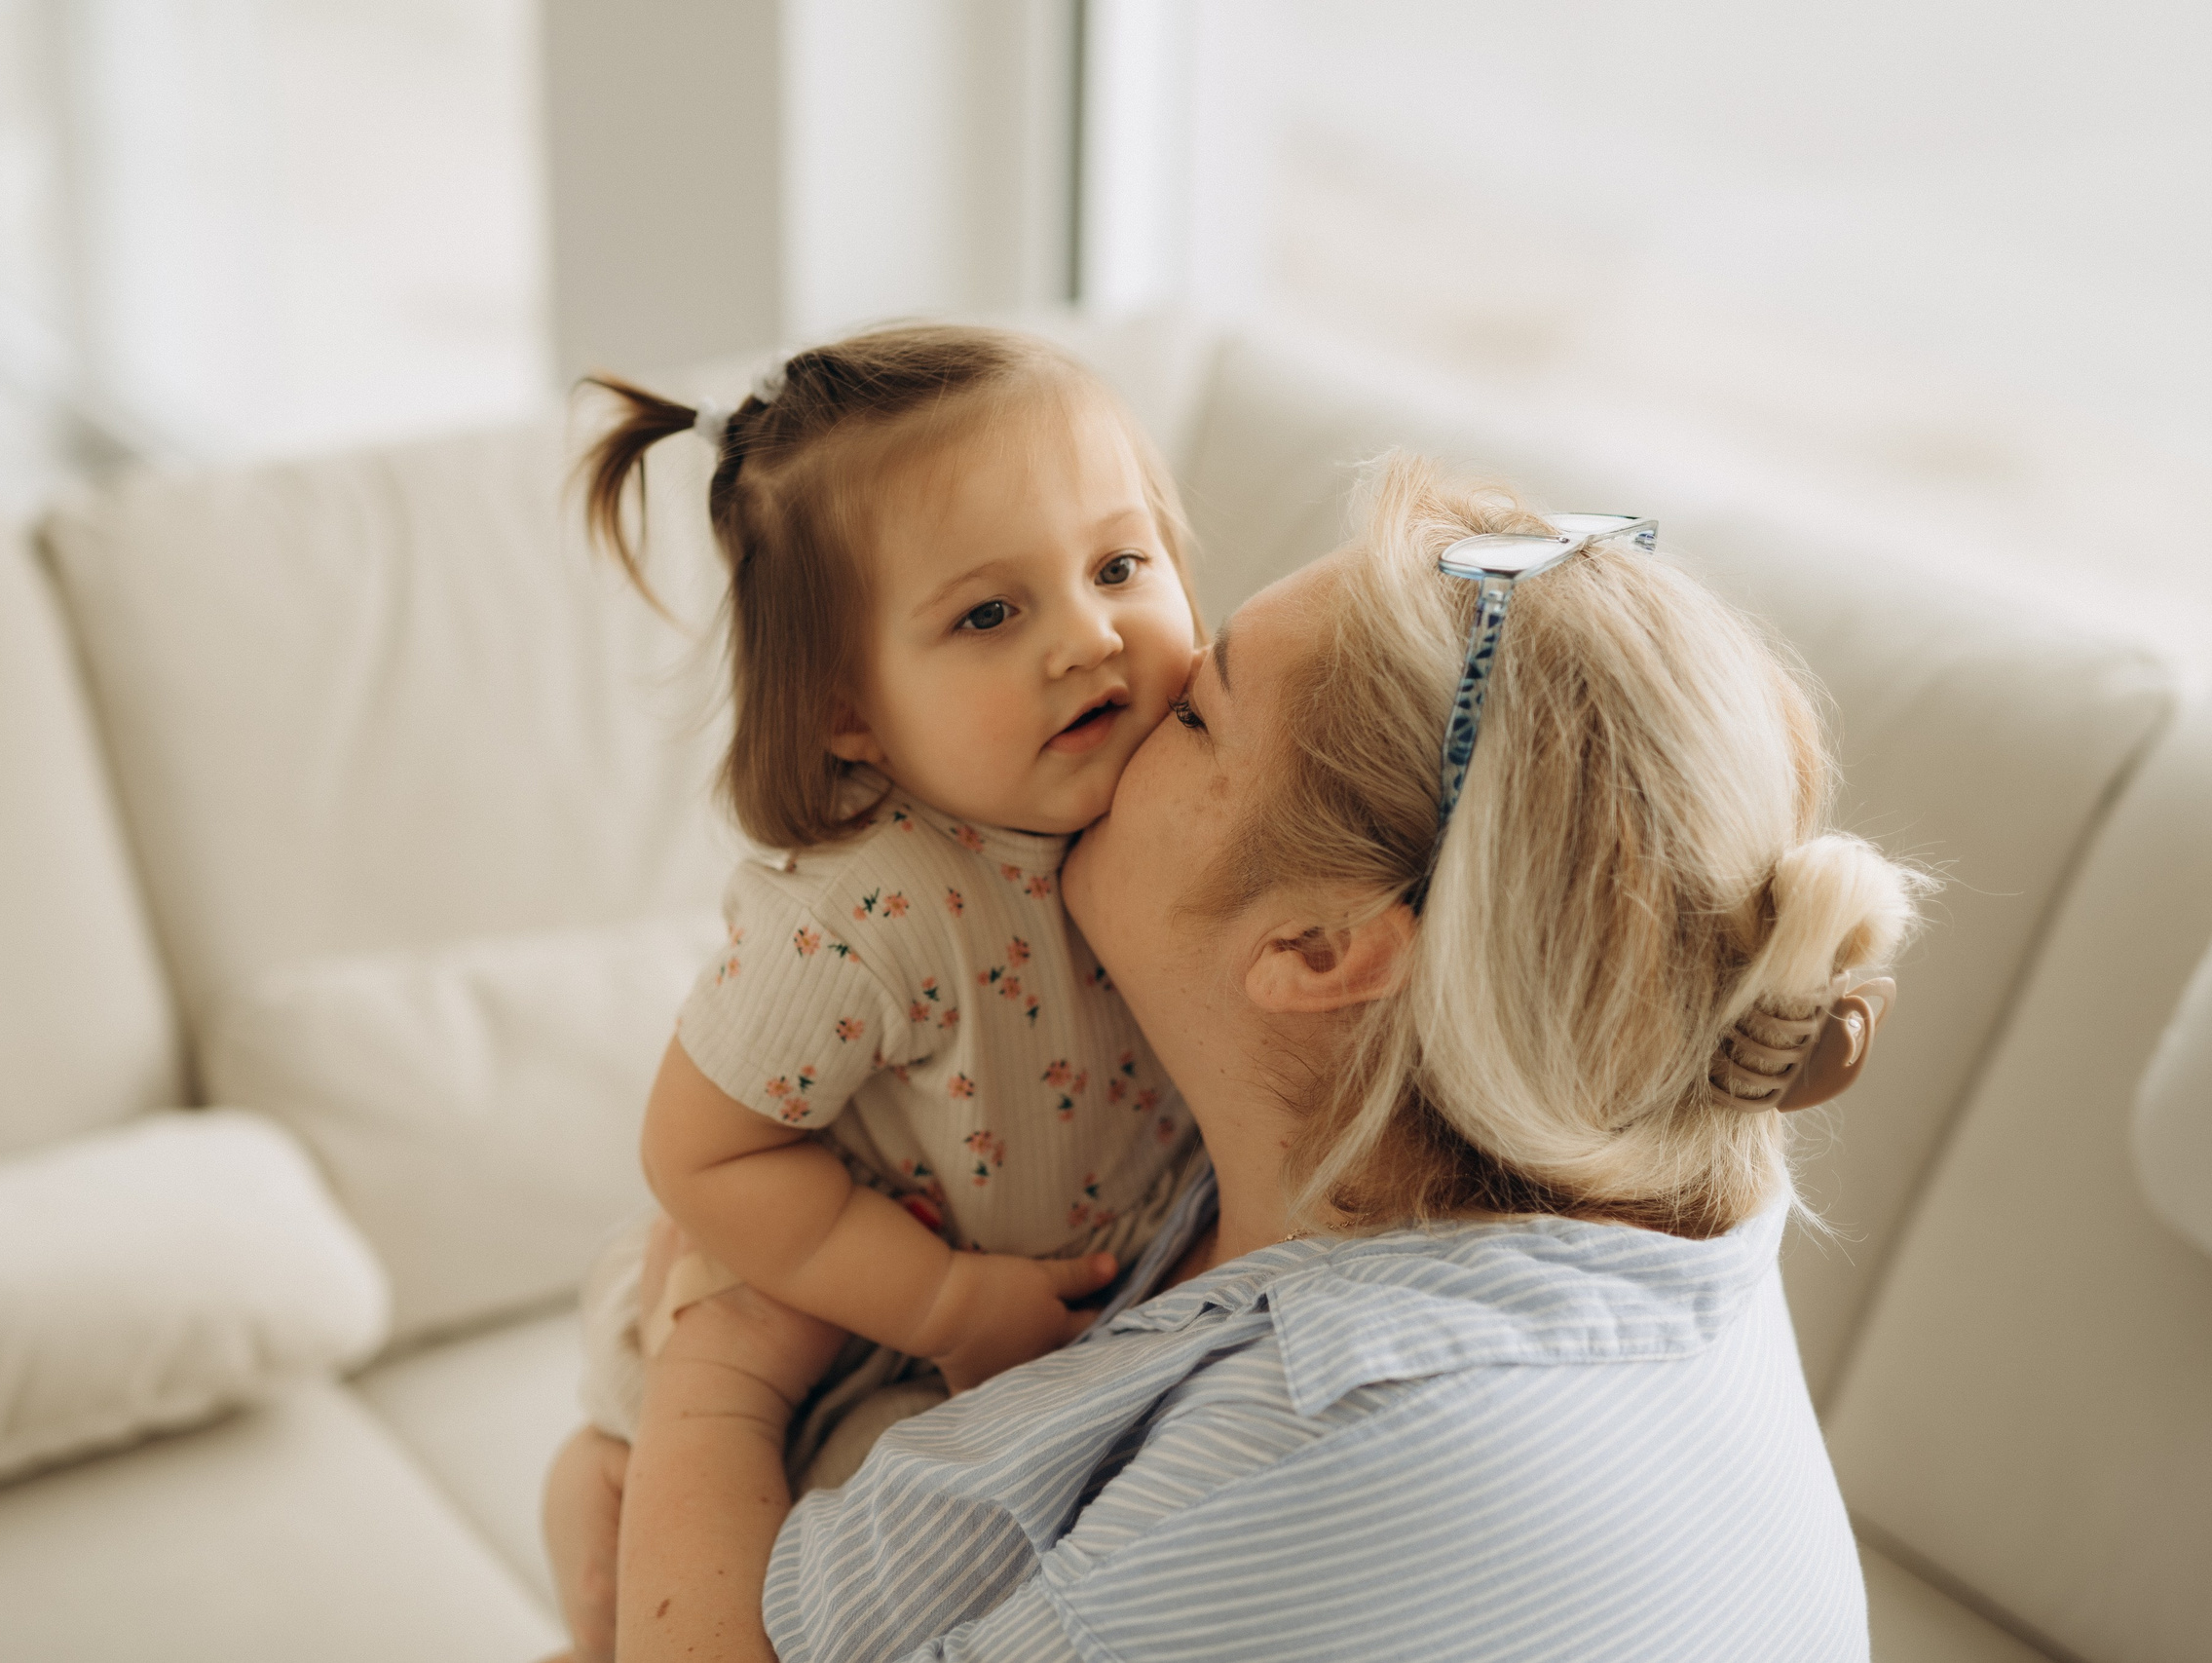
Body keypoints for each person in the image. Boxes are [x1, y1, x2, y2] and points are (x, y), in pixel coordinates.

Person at [608, 453, 1923, 1662]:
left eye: (1200, 715)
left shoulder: (1294, 1452)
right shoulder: (1665, 1199)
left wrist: (721, 1356)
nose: (1140, 677)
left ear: (1314, 949)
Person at [541, 325, 1206, 1661]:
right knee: (638, 1548)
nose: (1087, 637)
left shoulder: (1177, 782)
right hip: (851, 1330)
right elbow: (699, 1147)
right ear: (849, 713)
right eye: (988, 614)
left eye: (1118, 565)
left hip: (1059, 1322)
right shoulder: (873, 912)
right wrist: (945, 1302)